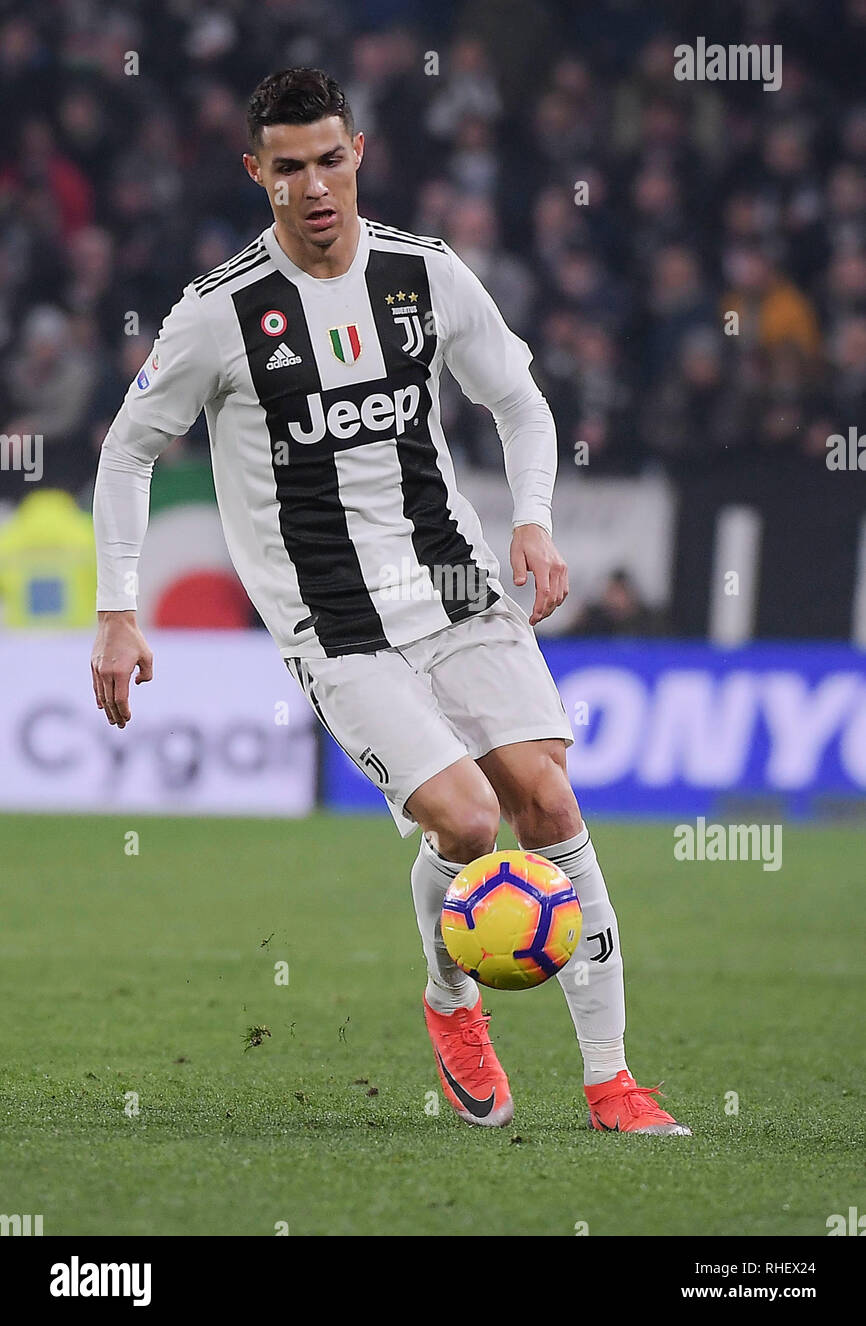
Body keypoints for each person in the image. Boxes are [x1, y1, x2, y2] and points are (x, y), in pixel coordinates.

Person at [90, 67, 690, 1135]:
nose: (313, 186)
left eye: (329, 159)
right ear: (255, 173)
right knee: (466, 820)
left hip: (453, 578)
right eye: (288, 168)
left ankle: (611, 1079)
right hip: (332, 613)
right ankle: (452, 1002)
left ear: (357, 153)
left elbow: (517, 398)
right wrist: (116, 607)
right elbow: (129, 447)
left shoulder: (425, 273)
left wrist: (533, 520)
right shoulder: (219, 313)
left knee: (546, 804)